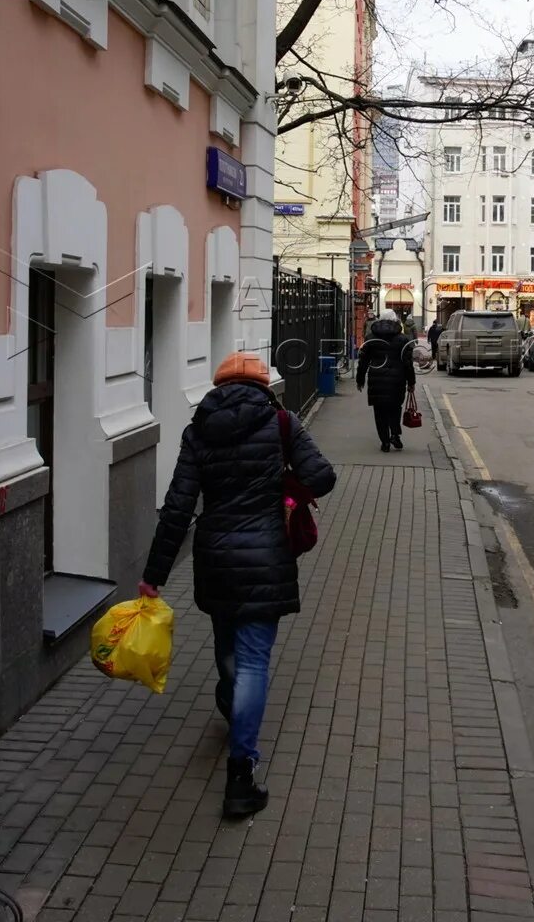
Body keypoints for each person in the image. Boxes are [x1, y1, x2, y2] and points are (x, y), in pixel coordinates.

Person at [138, 351, 336, 819]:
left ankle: (232, 707)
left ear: (217, 386)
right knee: (253, 663)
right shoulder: (282, 423)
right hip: (266, 555)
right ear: (264, 386)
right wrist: (285, 480)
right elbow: (323, 477)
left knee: (227, 647)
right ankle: (241, 774)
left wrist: (154, 576)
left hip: (215, 557)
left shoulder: (198, 431)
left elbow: (177, 508)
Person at [357, 309, 416, 452]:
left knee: (380, 412)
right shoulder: (403, 339)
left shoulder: (371, 338)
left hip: (376, 381)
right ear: (395, 320)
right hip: (397, 381)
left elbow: (363, 361)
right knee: (395, 409)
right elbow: (408, 363)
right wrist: (411, 382)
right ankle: (395, 435)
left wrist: (360, 379)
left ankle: (385, 442)